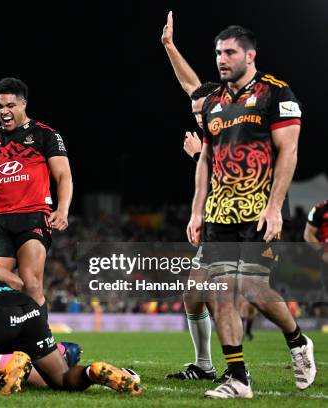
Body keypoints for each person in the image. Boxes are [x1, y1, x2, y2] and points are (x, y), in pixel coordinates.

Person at [187, 25, 316, 399]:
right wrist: (197, 212)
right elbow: (206, 159)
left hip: (259, 209)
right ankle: (238, 378)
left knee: (253, 288)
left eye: (229, 53)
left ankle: (297, 341)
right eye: (218, 54)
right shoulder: (212, 103)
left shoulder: (276, 92)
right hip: (219, 213)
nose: (222, 60)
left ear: (250, 55)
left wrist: (275, 207)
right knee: (221, 291)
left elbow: (289, 151)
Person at [0, 249, 141, 396]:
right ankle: (92, 372)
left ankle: (3, 363)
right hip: (26, 306)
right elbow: (16, 282)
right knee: (62, 379)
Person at [0, 77, 73, 313]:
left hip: (33, 217)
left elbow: (64, 176)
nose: (4, 112)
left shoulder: (45, 135)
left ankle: (43, 345)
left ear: (23, 105)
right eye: (0, 107)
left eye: (10, 106)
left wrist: (62, 210)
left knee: (31, 283)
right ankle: (10, 334)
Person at [161, 11, 218, 381]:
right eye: (194, 112)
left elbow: (231, 177)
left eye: (202, 110)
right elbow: (192, 88)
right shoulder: (209, 117)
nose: (196, 116)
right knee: (195, 293)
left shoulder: (231, 126)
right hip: (215, 222)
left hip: (239, 221)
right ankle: (205, 365)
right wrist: (168, 46)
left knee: (230, 296)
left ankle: (295, 343)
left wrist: (198, 155)